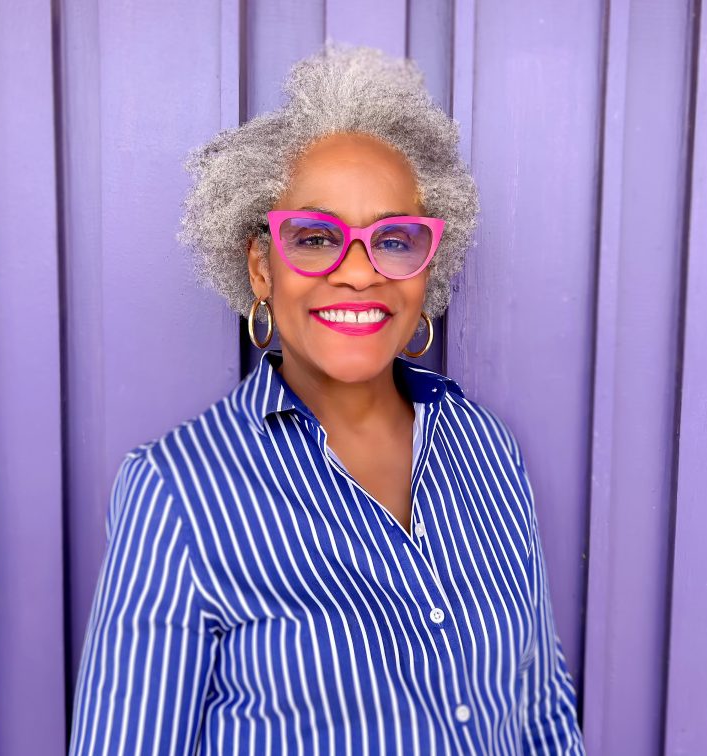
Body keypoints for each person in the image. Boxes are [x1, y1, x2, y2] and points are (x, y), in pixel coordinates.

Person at [69, 45, 585, 755]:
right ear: (261, 266)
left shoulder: (486, 450)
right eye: (315, 238)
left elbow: (540, 714)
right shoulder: (178, 493)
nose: (359, 273)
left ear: (426, 265)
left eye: (394, 240)